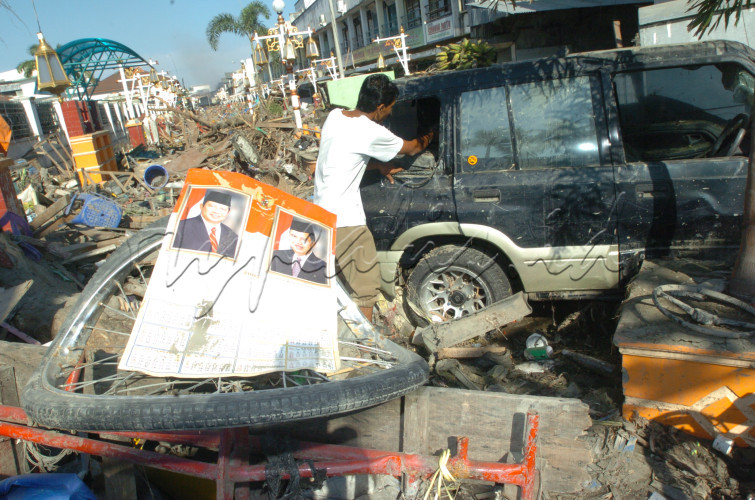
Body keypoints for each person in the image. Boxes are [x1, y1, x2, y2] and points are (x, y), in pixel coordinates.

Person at [313, 74, 435, 321]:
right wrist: (432, 133)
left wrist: (376, 167)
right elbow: (412, 147)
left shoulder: (334, 117)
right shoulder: (370, 131)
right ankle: (367, 350)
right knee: (366, 288)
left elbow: (340, 159)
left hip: (319, 214)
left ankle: (342, 340)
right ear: (380, 107)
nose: (390, 114)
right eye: (389, 108)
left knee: (335, 285)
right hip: (346, 221)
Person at [173, 190, 239, 258]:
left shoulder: (232, 236)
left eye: (222, 209)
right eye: (212, 206)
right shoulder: (181, 227)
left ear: (228, 212)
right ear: (201, 206)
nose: (216, 211)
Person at [270, 218, 328, 284]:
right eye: (294, 236)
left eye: (304, 239)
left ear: (313, 244)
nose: (298, 242)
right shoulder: (276, 255)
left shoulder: (323, 267)